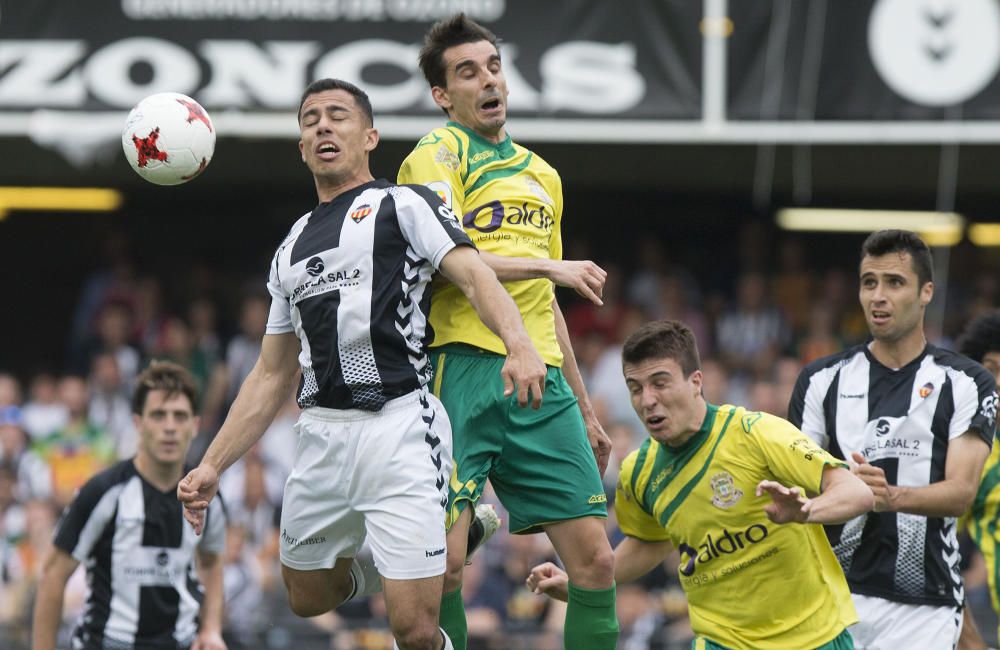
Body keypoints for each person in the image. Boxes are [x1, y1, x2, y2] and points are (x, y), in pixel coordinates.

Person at [177, 77, 547, 650]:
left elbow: (475, 275)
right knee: (305, 596)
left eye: (337, 116)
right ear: (301, 148)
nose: (322, 126)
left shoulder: (406, 204)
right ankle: (438, 549)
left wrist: (520, 344)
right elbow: (272, 373)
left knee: (415, 630)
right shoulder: (291, 245)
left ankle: (422, 566)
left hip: (398, 427)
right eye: (310, 120)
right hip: (322, 437)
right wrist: (213, 465)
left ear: (369, 135)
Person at [397, 15, 618, 650]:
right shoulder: (435, 156)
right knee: (444, 570)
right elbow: (451, 258)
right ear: (443, 96)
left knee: (596, 563)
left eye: (493, 66)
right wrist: (554, 263)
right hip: (461, 369)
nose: (488, 80)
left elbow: (545, 303)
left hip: (542, 381)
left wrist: (585, 408)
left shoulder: (542, 175)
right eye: (468, 72)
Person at [527, 320, 873, 649]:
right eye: (635, 388)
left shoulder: (756, 433)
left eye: (659, 383)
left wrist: (807, 510)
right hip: (721, 641)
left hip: (815, 635)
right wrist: (584, 585)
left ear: (696, 381)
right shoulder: (638, 472)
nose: (647, 400)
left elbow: (857, 493)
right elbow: (649, 544)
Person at [788, 230, 998, 649]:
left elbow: (961, 493)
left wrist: (890, 497)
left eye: (894, 282)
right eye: (869, 283)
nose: (877, 296)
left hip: (924, 605)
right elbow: (799, 475)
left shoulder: (966, 382)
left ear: (926, 293)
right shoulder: (820, 380)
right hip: (832, 597)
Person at [32, 361, 226, 650]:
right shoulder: (102, 492)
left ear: (195, 425)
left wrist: (211, 628)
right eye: (159, 415)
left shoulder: (207, 495)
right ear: (138, 423)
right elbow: (53, 574)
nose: (170, 427)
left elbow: (212, 560)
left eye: (180, 416)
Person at [956, 310, 1000, 650]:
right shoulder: (971, 455)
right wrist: (971, 639)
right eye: (991, 368)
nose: (998, 381)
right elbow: (936, 555)